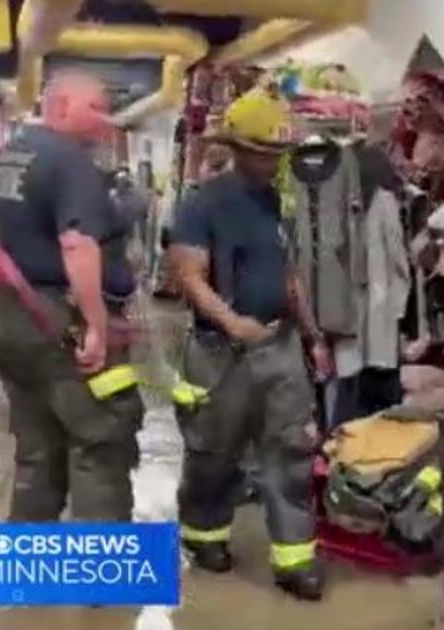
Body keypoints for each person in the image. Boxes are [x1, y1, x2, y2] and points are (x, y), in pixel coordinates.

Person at [0, 70, 144, 522]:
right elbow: (77, 245)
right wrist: (96, 325)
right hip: (61, 323)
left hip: (9, 320)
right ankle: (104, 571)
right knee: (100, 443)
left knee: (37, 448)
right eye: (94, 107)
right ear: (59, 107)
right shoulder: (69, 162)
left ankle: (30, 555)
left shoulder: (0, 157)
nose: (105, 119)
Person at [168, 88, 333, 601]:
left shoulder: (276, 199)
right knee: (214, 453)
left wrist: (312, 334)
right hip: (221, 352)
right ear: (237, 147)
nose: (274, 162)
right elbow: (187, 275)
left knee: (291, 449)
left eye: (279, 153)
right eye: (265, 152)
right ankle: (205, 535)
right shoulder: (202, 202)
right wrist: (233, 322)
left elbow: (289, 275)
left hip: (280, 345)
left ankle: (294, 559)